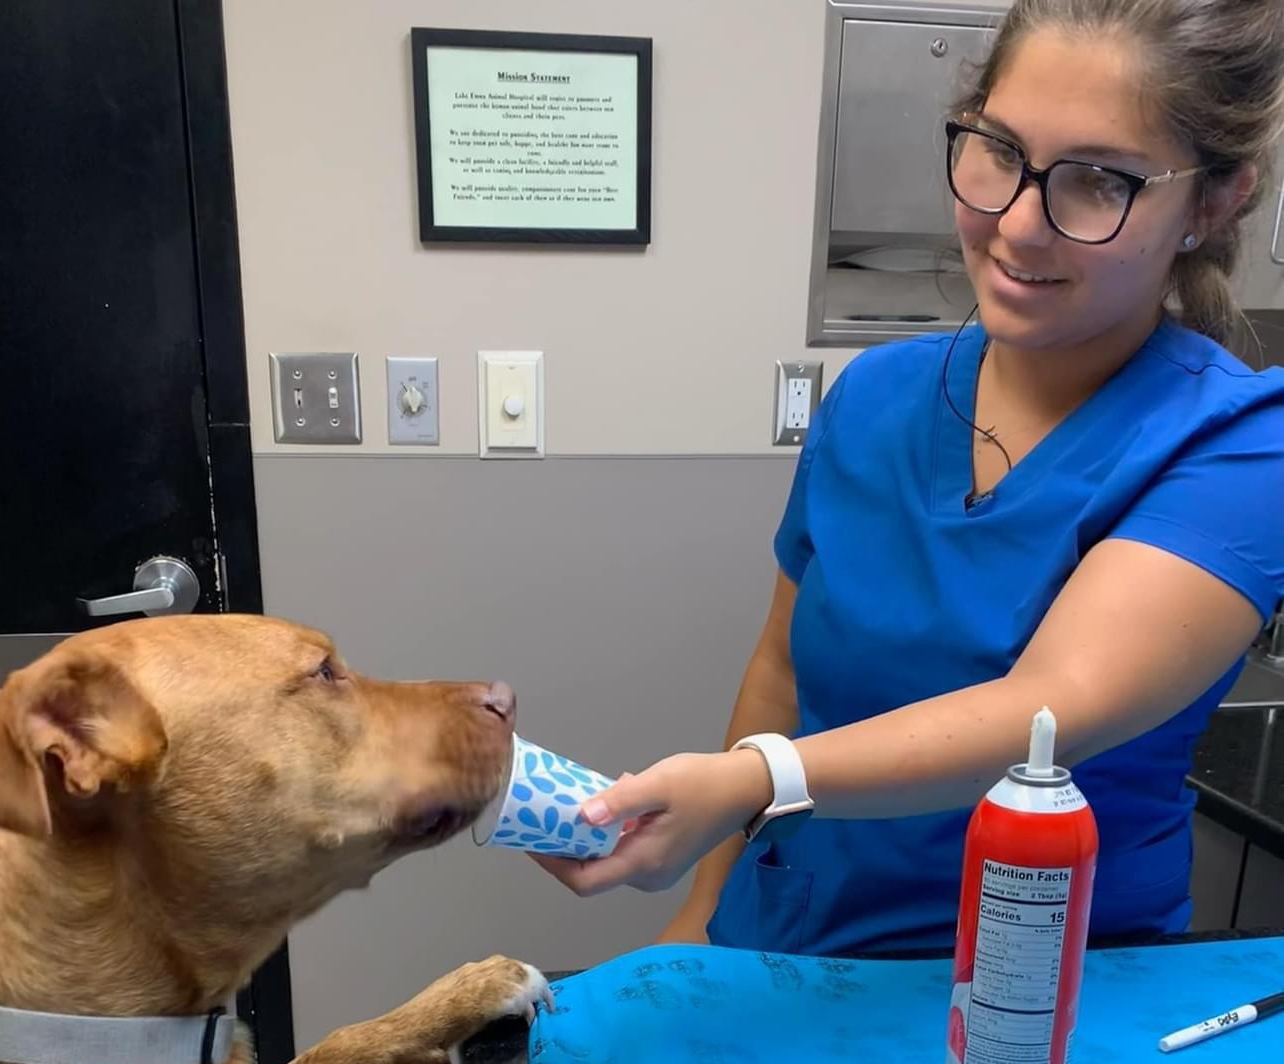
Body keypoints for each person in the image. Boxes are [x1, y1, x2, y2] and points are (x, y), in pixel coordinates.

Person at [540, 0, 1284, 955]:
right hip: (792, 944)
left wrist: (753, 779)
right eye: (1000, 152)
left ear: (1214, 203)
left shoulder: (1237, 446)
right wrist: (697, 923)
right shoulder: (877, 395)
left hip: (1047, 992)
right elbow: (780, 670)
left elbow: (1046, 711)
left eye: (1099, 182)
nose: (1018, 223)